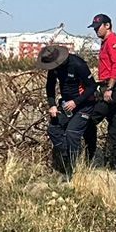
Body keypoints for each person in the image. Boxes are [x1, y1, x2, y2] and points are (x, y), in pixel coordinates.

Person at [36, 40, 95, 179]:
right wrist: (52, 104)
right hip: (66, 104)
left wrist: (76, 102)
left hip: (84, 104)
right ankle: (66, 160)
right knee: (53, 130)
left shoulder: (78, 64)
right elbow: (50, 87)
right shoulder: (54, 68)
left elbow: (92, 87)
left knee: (72, 134)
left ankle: (74, 172)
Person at [83, 14, 116, 170]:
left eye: (98, 27)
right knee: (115, 128)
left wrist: (109, 89)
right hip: (109, 87)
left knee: (89, 120)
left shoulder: (113, 42)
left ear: (107, 25)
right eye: (95, 28)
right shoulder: (105, 43)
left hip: (114, 89)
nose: (96, 30)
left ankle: (92, 157)